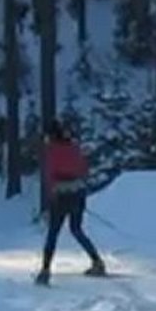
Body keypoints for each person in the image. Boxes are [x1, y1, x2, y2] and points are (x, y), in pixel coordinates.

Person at [35, 120, 105, 286]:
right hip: (78, 192)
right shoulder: (74, 148)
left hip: (61, 194)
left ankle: (45, 270)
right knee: (76, 229)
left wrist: (50, 196)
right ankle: (97, 262)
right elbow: (82, 168)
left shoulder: (52, 151)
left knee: (53, 233)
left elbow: (50, 174)